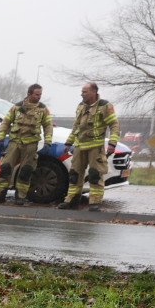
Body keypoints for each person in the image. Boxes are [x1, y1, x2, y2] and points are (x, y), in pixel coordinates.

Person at [60, 81, 119, 211]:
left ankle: (95, 202)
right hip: (79, 146)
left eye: (85, 92)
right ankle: (72, 200)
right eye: (82, 92)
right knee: (75, 174)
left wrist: (112, 144)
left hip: (95, 147)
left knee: (95, 174)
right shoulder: (81, 106)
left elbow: (114, 125)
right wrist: (69, 143)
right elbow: (76, 126)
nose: (82, 94)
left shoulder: (104, 106)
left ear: (94, 92)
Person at [0, 84, 54, 205]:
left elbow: (48, 126)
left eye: (40, 94)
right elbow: (6, 122)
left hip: (30, 144)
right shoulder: (17, 107)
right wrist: (0, 139)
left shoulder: (43, 109)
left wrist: (48, 142)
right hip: (14, 142)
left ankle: (20, 196)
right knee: (5, 168)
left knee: (26, 170)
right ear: (29, 94)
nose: (39, 97)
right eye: (37, 94)